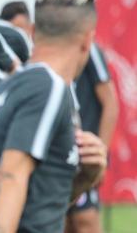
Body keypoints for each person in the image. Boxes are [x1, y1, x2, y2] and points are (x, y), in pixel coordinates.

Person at [0, 0, 107, 233]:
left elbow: (40, 200)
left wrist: (86, 176)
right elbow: (9, 176)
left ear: (32, 33)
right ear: (87, 40)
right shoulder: (49, 88)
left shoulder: (10, 87)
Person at [66, 43, 119, 233]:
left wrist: (100, 153)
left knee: (84, 218)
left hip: (83, 154)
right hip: (59, 153)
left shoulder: (87, 48)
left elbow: (111, 104)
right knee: (61, 221)